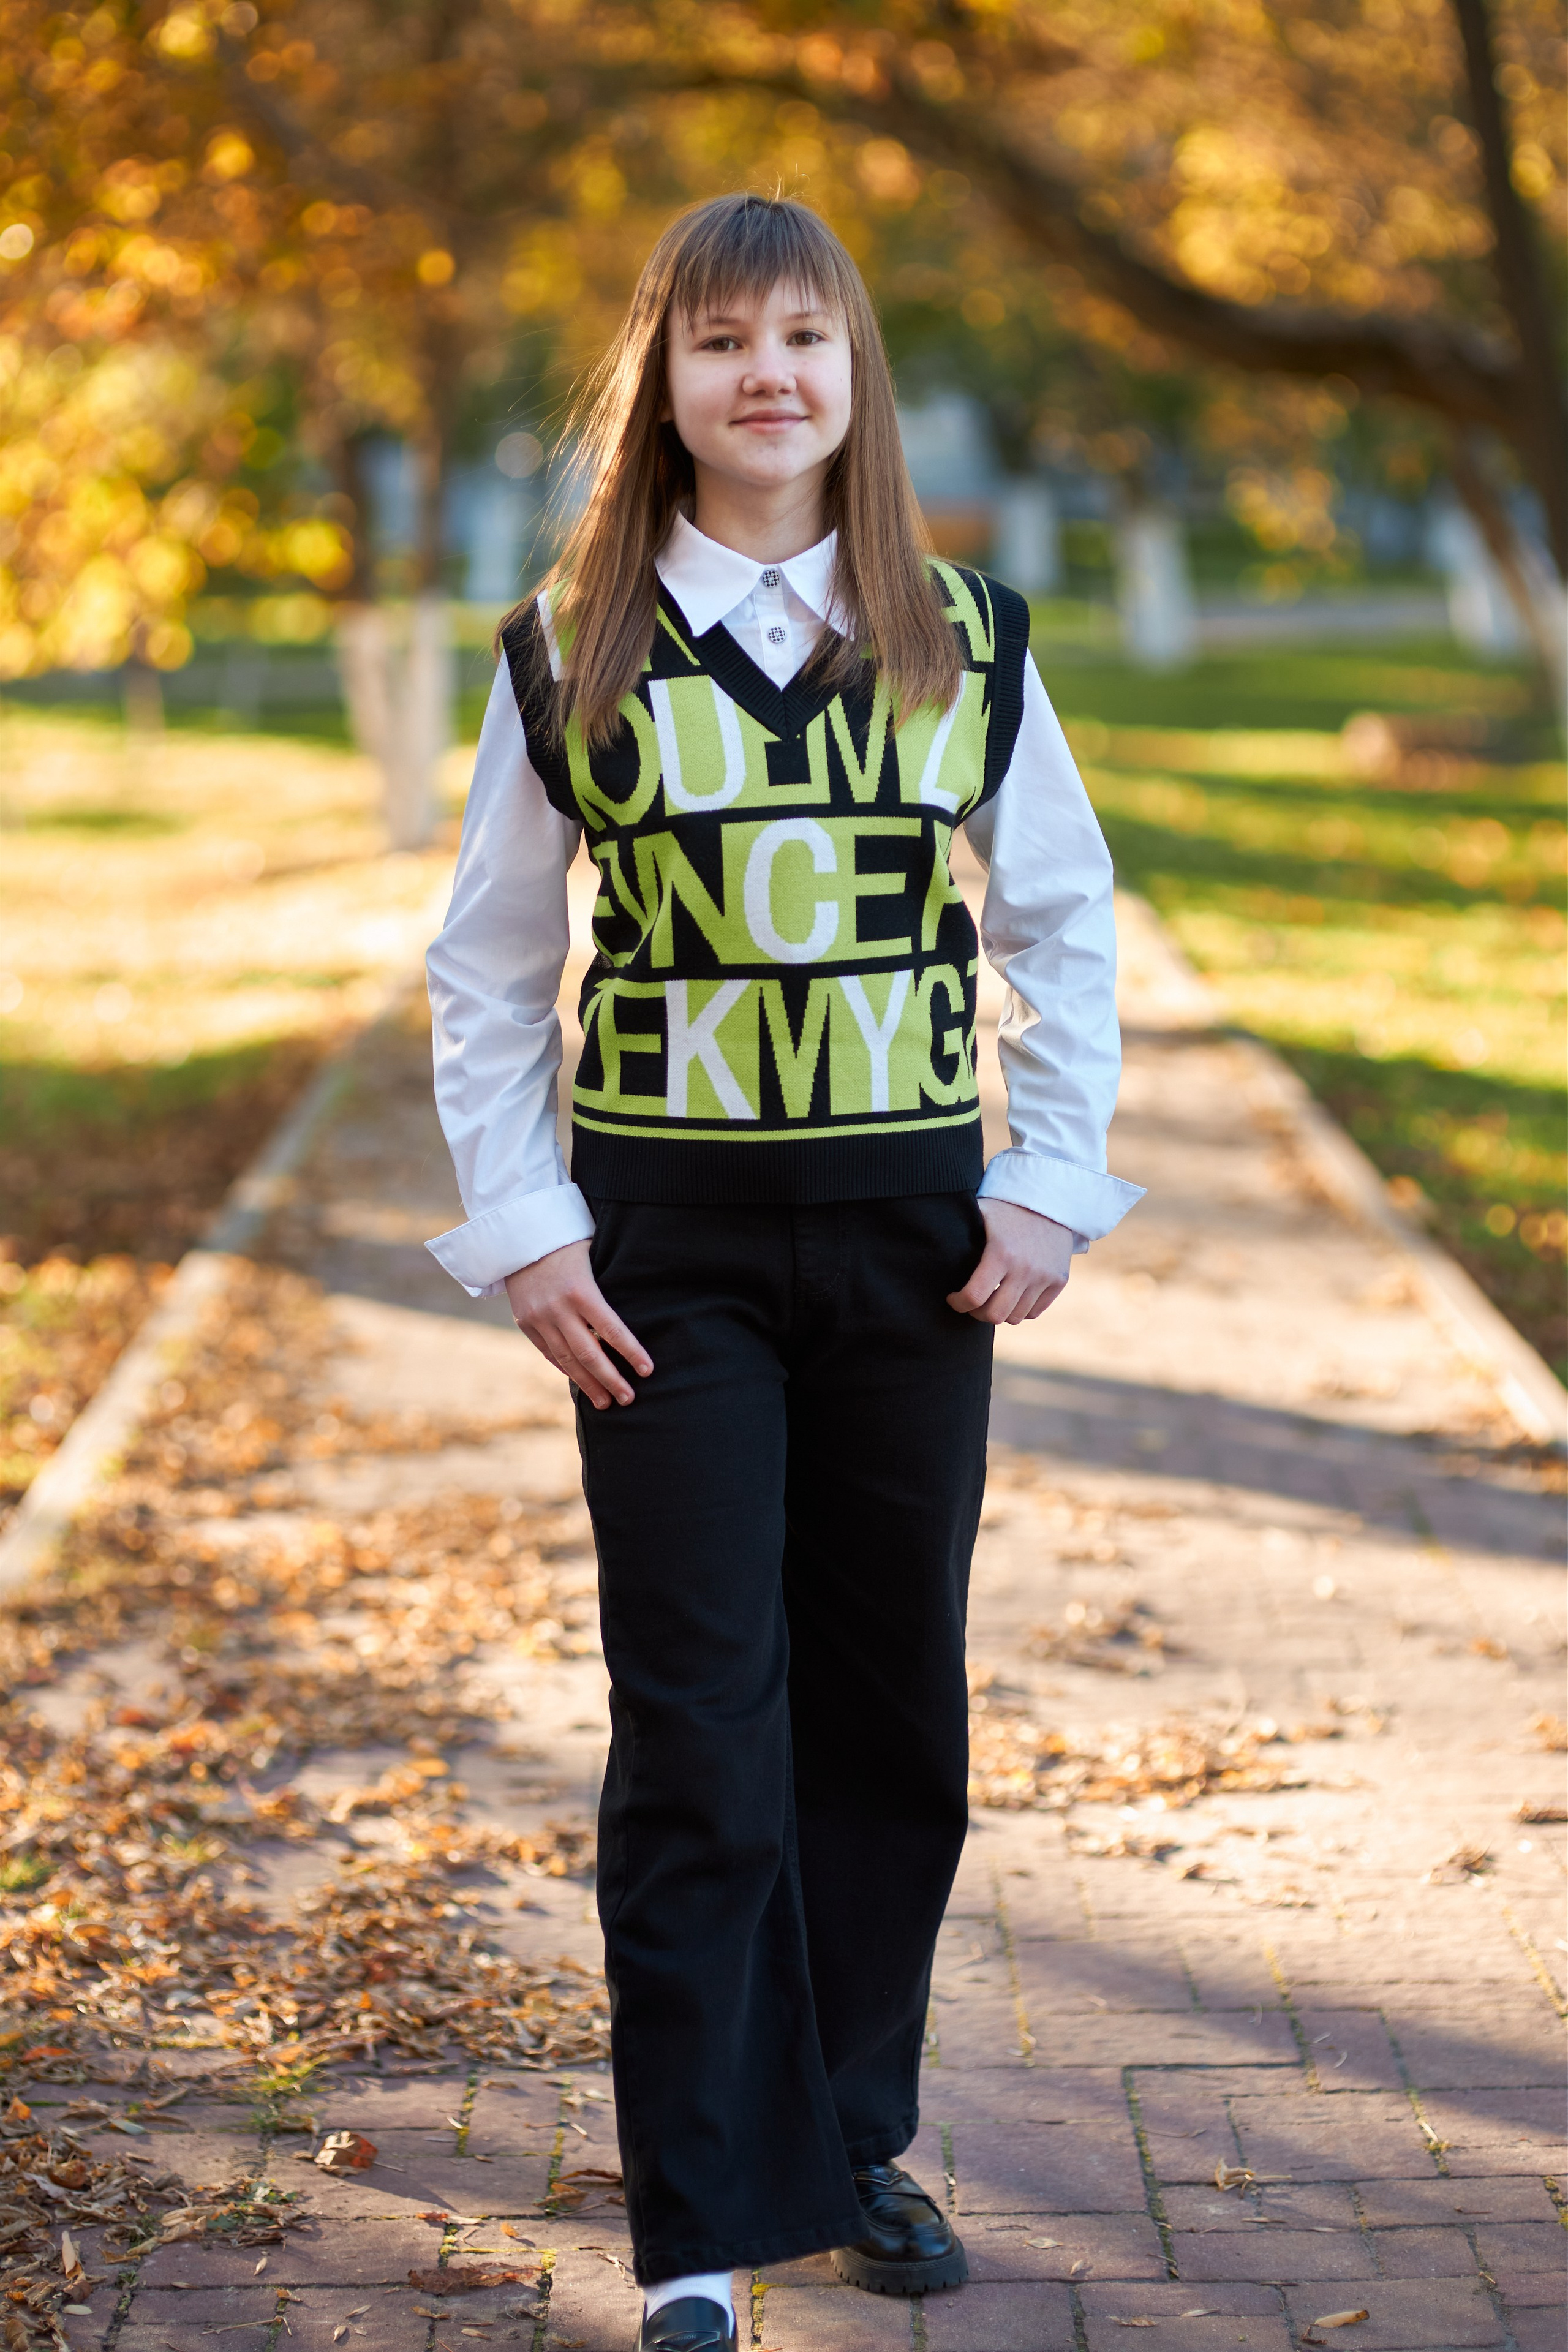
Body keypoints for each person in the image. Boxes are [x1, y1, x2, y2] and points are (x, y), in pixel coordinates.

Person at [425, 192, 1141, 2352]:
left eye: (805, 338)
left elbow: (1065, 926)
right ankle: (703, 2225)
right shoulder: (575, 650)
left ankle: (848, 2139)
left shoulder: (963, 635)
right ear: (666, 384)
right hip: (671, 1261)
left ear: (855, 376)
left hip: (924, 1249)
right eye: (722, 340)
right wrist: (532, 1232)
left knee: (886, 1708)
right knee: (699, 1714)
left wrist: (1052, 1181)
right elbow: (482, 972)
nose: (767, 376)